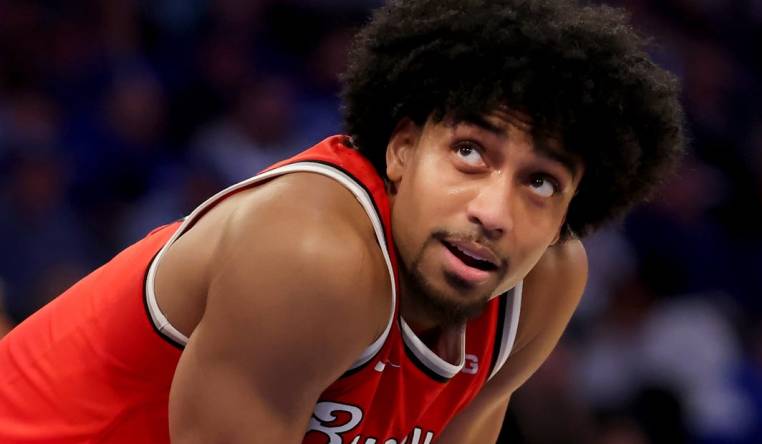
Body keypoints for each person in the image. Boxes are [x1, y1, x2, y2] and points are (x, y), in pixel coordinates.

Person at [0, 0, 684, 442]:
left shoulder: (543, 283)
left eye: (541, 182)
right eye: (471, 153)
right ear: (403, 147)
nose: (493, 212)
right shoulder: (313, 254)